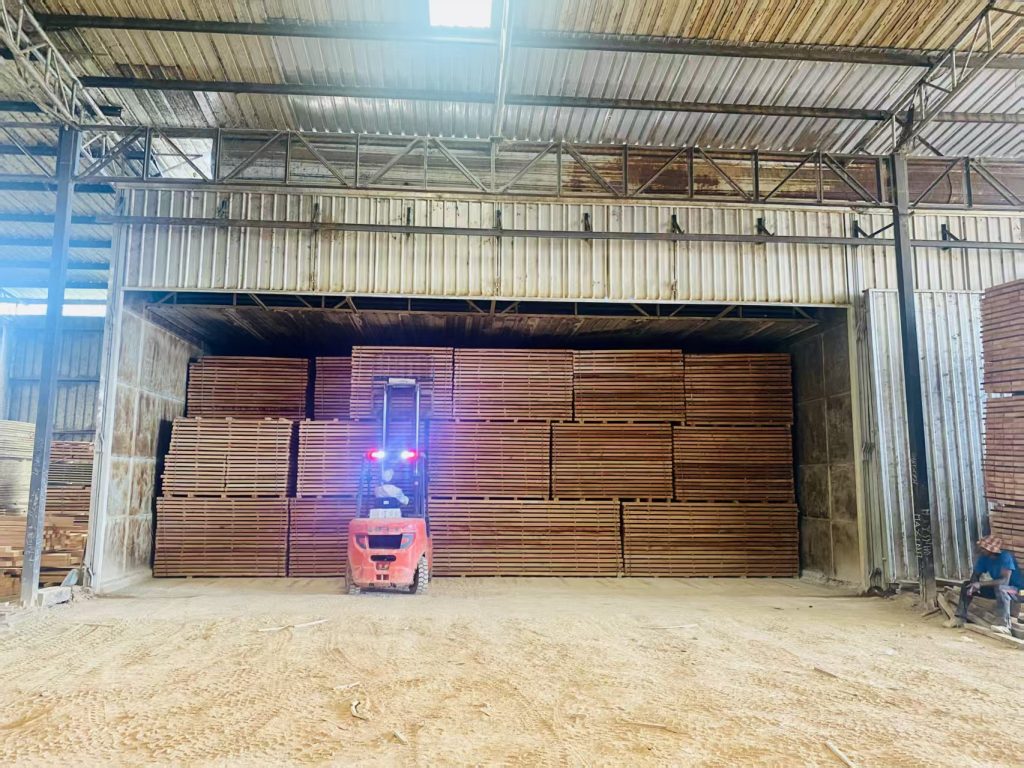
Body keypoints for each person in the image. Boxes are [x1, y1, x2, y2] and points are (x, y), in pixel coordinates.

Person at [945, 536, 1023, 634]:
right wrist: (974, 585)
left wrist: (980, 584)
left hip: (1019, 592)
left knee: (1002, 588)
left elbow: (1004, 581)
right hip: (1000, 590)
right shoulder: (984, 558)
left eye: (983, 548)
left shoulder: (1005, 557)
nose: (981, 549)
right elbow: (975, 575)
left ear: (991, 550)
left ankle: (1004, 626)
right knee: (966, 585)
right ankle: (960, 618)